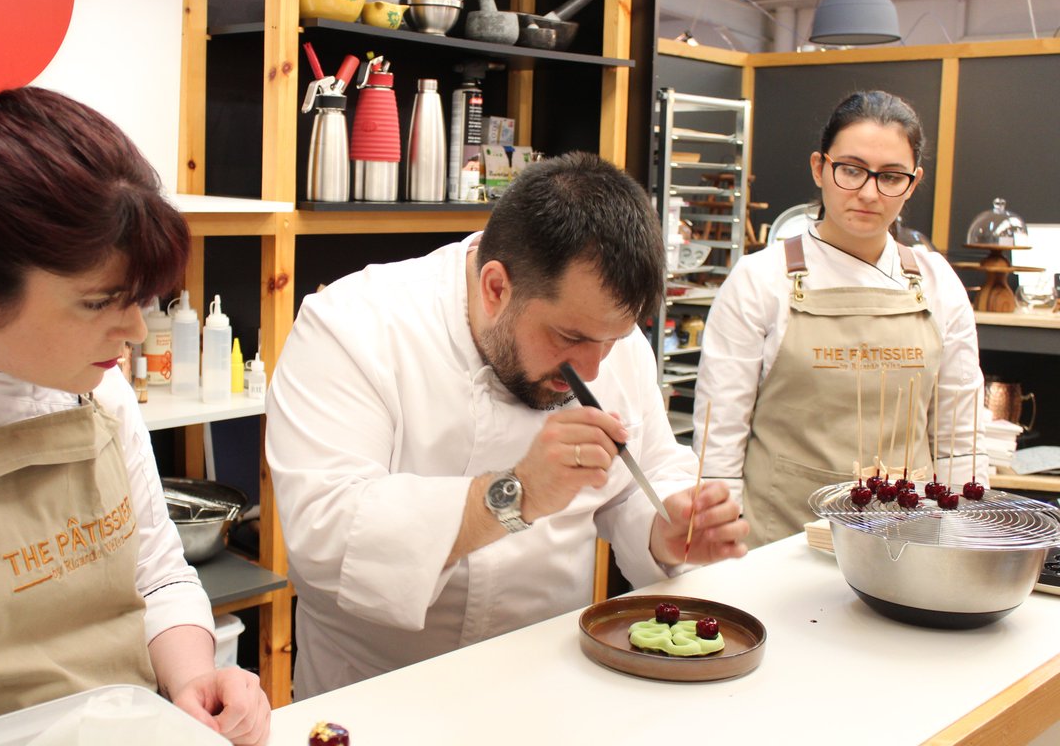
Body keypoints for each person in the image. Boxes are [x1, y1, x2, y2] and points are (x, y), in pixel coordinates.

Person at [0, 29, 270, 745]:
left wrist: (192, 675)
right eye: (99, 302)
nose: (137, 334)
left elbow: (155, 567)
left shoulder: (94, 384)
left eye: (141, 298)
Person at [266, 151, 749, 698]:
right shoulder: (354, 327)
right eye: (569, 339)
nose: (590, 370)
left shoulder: (601, 329)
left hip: (547, 682)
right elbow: (326, 533)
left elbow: (646, 473)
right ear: (496, 287)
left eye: (612, 342)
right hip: (378, 691)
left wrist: (666, 525)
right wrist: (514, 495)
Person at [693, 90, 986, 547]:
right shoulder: (758, 281)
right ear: (819, 168)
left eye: (890, 177)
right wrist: (718, 553)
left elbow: (961, 438)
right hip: (778, 546)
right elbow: (719, 443)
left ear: (912, 183)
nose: (868, 193)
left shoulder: (936, 282)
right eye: (851, 170)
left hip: (908, 545)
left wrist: (967, 541)